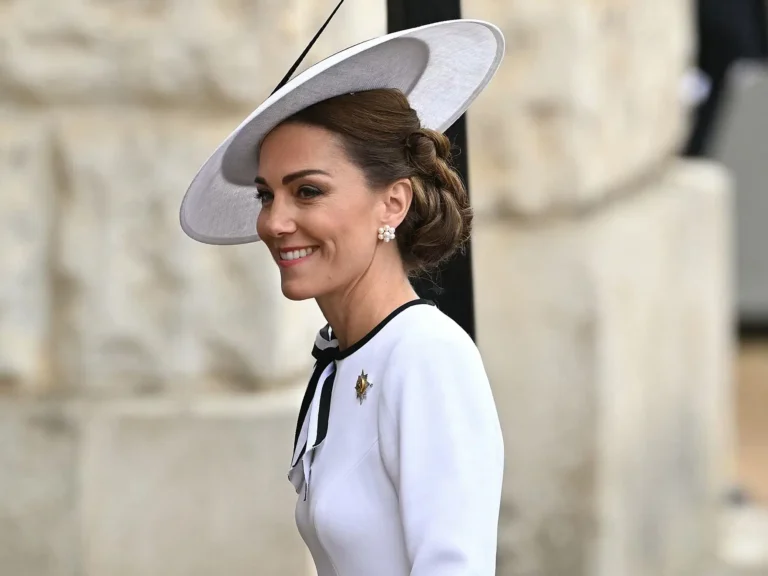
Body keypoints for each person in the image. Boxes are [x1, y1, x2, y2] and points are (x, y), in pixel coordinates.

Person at [179, 16, 506, 576]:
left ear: (393, 204)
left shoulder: (426, 355)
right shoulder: (341, 357)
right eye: (266, 194)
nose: (275, 221)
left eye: (308, 191)